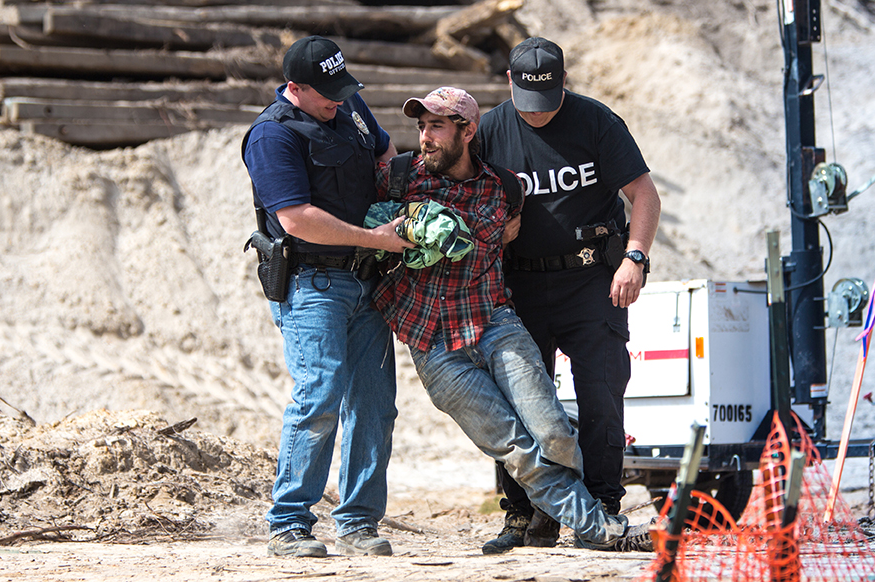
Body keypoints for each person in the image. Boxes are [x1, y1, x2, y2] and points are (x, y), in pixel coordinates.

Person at [370, 86, 654, 553]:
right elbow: (364, 230)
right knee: (517, 448)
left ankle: (567, 514)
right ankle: (598, 529)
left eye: (436, 125)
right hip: (436, 345)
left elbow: (509, 235)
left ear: (467, 131)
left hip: (496, 323)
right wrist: (400, 231)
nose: (425, 137)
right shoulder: (398, 179)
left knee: (554, 433)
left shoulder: (505, 187)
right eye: (421, 126)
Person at [475, 37, 661, 553]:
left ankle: (601, 511)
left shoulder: (596, 121)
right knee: (516, 403)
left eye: (549, 101)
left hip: (592, 282)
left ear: (563, 84)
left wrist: (636, 257)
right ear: (509, 82)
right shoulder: (490, 129)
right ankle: (526, 516)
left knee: (601, 395)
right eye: (529, 103)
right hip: (520, 286)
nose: (539, 115)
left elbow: (643, 193)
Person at [241, 35, 415, 559]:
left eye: (343, 88)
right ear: (295, 87)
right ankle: (289, 523)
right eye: (326, 93)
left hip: (367, 280)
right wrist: (377, 237)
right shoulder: (272, 135)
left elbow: (384, 152)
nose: (337, 100)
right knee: (319, 396)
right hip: (311, 283)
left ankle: (359, 522)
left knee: (375, 404)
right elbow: (296, 219)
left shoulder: (348, 104)